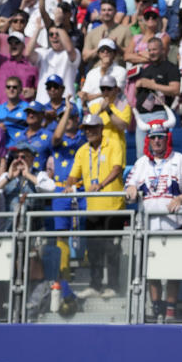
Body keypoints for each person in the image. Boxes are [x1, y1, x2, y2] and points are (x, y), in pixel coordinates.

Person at [125, 111, 182, 322]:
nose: (156, 141)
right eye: (153, 138)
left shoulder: (180, 160)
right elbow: (129, 186)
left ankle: (171, 308)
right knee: (151, 270)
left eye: (160, 137)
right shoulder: (141, 163)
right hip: (149, 224)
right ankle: (156, 307)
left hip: (174, 223)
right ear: (148, 140)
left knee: (173, 269)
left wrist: (181, 198)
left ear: (167, 138)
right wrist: (132, 189)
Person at [64, 114, 125, 298]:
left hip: (113, 207)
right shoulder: (82, 150)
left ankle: (113, 286)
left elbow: (117, 168)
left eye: (92, 127)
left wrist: (101, 184)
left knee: (112, 248)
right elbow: (73, 175)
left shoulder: (114, 144)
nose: (89, 131)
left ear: (101, 128)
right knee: (94, 248)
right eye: (86, 128)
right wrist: (69, 185)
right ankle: (95, 285)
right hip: (93, 208)